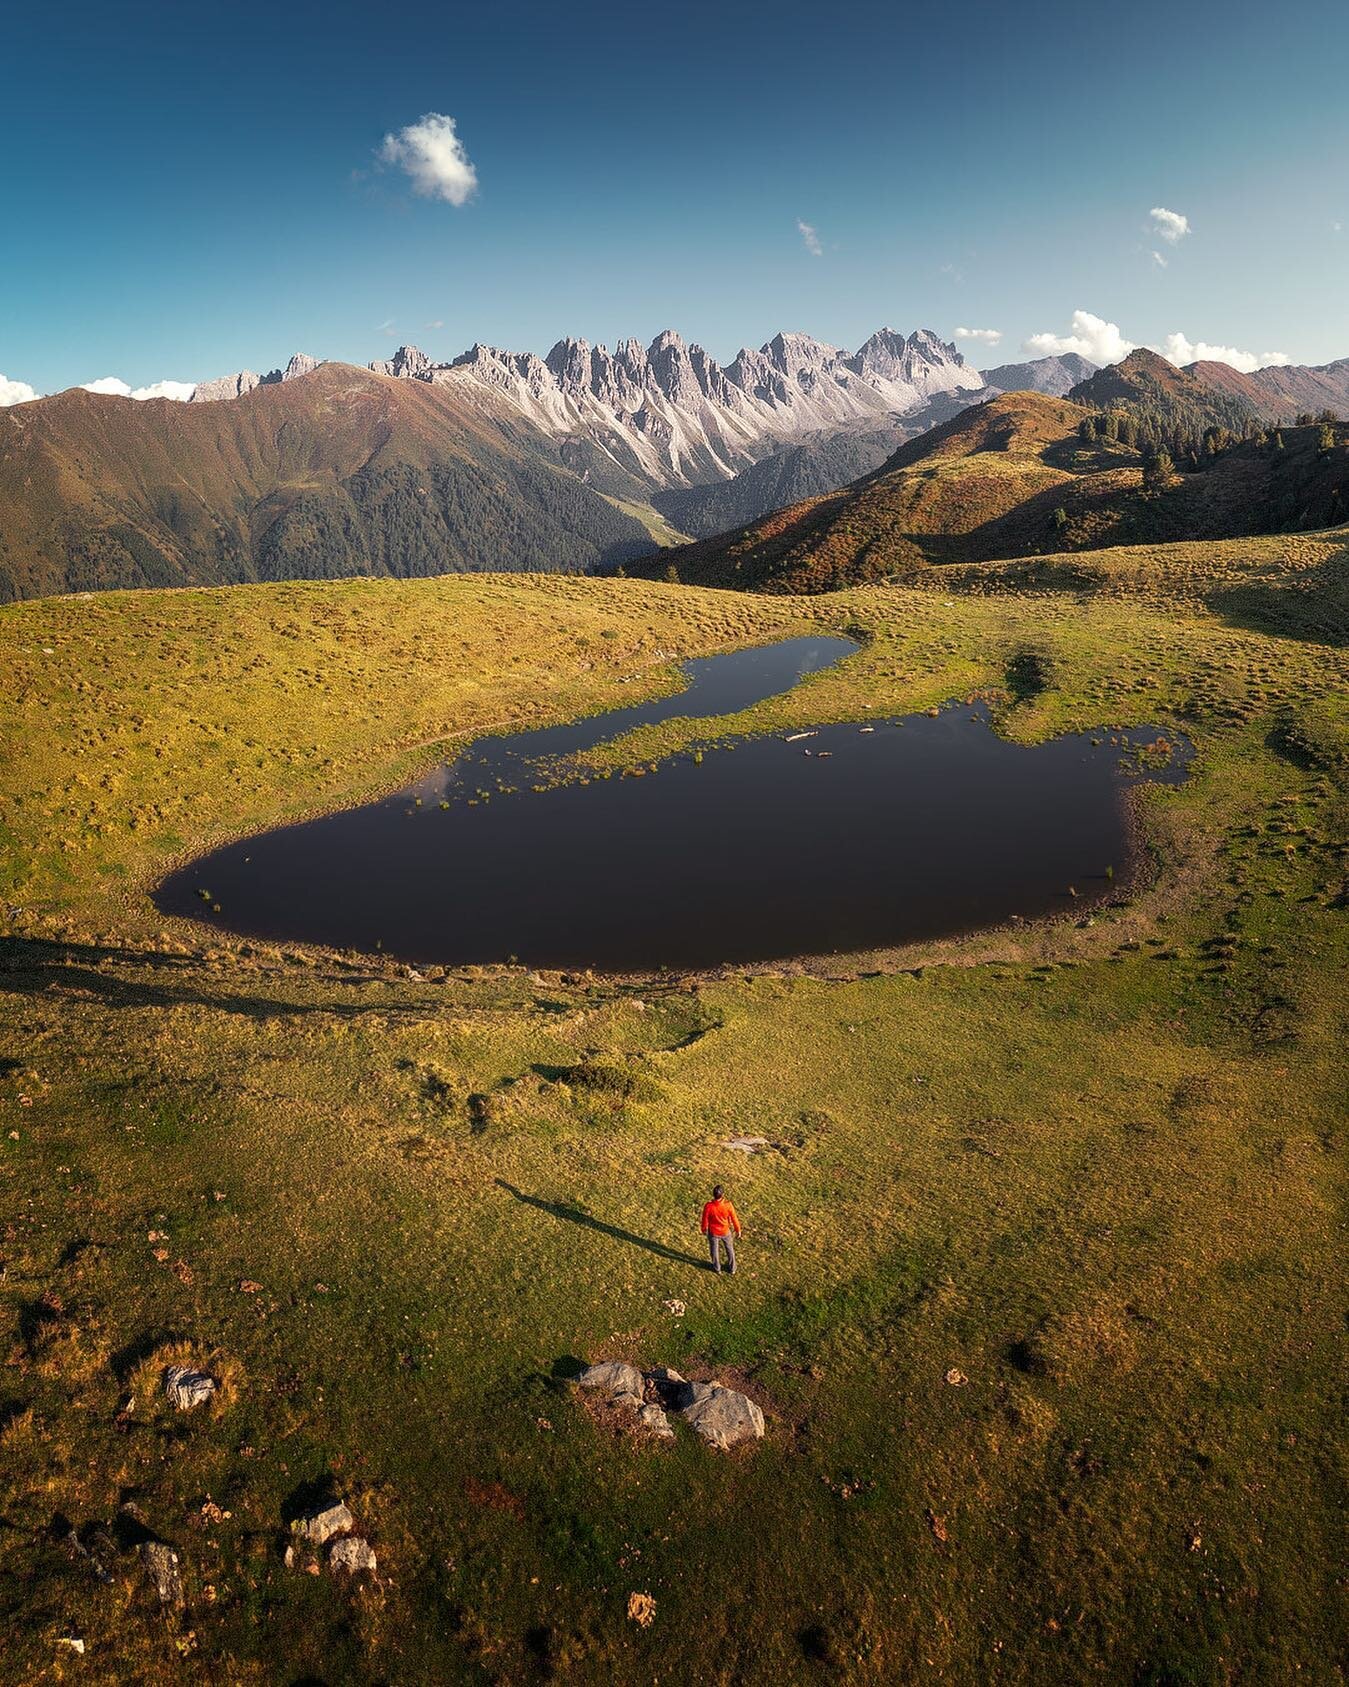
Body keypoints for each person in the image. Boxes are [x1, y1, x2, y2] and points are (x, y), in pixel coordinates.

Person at [700, 1184, 742, 1274]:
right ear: (722, 1195)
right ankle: (732, 1268)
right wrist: (738, 1229)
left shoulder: (709, 1206)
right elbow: (734, 1218)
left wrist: (704, 1228)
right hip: (725, 1231)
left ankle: (717, 1268)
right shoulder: (728, 1205)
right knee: (729, 1249)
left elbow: (705, 1219)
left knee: (714, 1250)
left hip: (713, 1232)